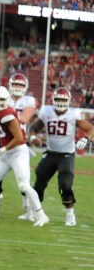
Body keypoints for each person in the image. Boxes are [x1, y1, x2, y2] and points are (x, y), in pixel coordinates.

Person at [0, 86, 49, 226]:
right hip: (7, 153)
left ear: (6, 100)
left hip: (18, 152)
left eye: (1, 99)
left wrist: (4, 148)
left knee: (24, 185)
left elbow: (18, 138)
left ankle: (41, 215)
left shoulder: (8, 114)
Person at [27, 87, 94, 226]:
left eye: (63, 100)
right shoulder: (46, 111)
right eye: (58, 100)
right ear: (54, 100)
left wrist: (85, 139)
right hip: (51, 153)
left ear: (68, 101)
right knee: (39, 179)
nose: (60, 102)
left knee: (65, 183)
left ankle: (70, 214)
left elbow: (90, 129)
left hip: (66, 154)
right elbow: (33, 128)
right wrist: (33, 137)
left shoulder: (73, 114)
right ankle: (36, 211)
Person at [0, 73, 36, 218]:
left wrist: (6, 113)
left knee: (22, 177)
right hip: (1, 139)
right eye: (15, 84)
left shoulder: (29, 100)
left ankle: (27, 208)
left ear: (25, 87)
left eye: (20, 85)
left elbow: (24, 118)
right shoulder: (3, 96)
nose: (17, 88)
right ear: (10, 85)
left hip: (18, 141)